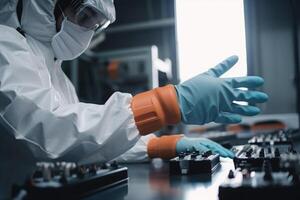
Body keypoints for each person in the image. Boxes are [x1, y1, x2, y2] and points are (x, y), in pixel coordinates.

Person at [0, 0, 268, 197]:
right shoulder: (5, 45)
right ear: (42, 5)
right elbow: (47, 133)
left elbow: (88, 142)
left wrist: (160, 146)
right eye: (83, 15)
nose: (87, 30)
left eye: (96, 23)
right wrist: (165, 104)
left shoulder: (54, 70)